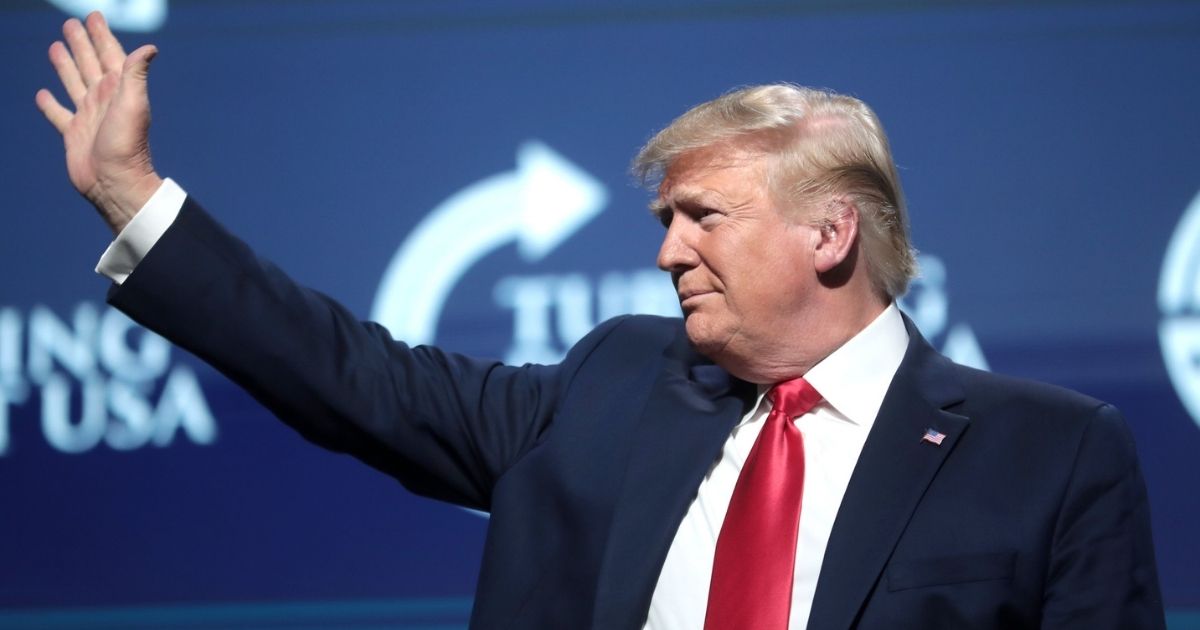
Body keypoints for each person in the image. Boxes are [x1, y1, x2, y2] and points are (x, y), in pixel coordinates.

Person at [37, 12, 1164, 630]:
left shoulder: (1047, 453)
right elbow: (354, 377)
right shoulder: (616, 385)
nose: (669, 249)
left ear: (831, 235)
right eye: (667, 217)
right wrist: (137, 202)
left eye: (704, 217)